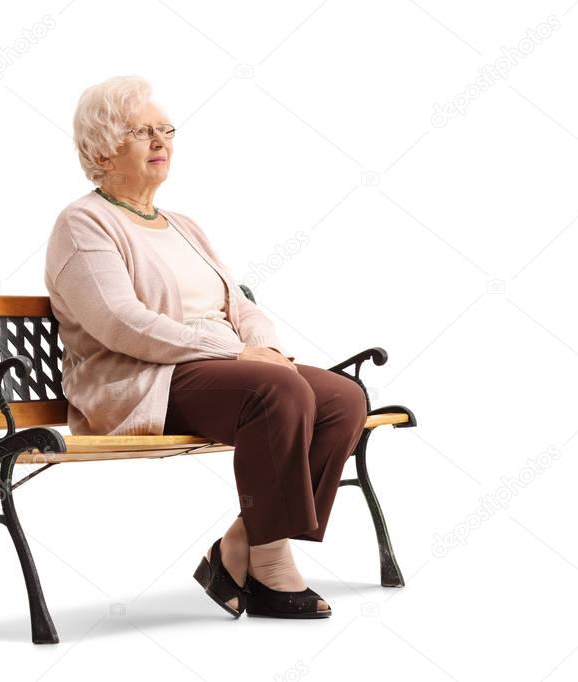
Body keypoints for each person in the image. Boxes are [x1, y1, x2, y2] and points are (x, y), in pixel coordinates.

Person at [43, 75, 367, 619]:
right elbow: (122, 324)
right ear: (102, 147)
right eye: (140, 131)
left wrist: (262, 346)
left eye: (164, 129)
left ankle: (239, 544)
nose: (160, 140)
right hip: (143, 380)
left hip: (218, 369)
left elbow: (238, 302)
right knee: (275, 391)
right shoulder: (84, 223)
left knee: (342, 400)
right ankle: (270, 564)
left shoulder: (182, 224)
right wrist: (237, 357)